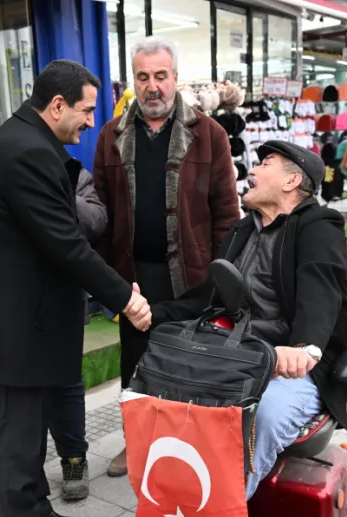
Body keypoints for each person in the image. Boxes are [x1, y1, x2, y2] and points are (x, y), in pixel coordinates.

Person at [0, 60, 152, 517]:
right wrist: (125, 297)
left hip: (22, 320)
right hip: (7, 327)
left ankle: (37, 512)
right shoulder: (27, 153)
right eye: (84, 111)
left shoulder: (28, 142)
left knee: (31, 428)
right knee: (17, 435)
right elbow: (65, 243)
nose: (88, 122)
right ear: (56, 105)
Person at [153, 140, 347, 499]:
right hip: (237, 353)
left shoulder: (318, 226)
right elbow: (208, 295)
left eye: (266, 164)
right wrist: (151, 312)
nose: (253, 170)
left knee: (261, 417)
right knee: (171, 394)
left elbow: (320, 288)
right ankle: (180, 497)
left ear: (292, 182)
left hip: (291, 365)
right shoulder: (243, 229)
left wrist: (304, 347)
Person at [93, 36, 240, 478]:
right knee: (135, 361)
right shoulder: (112, 135)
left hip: (191, 276)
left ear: (175, 78)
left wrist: (219, 277)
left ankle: (186, 446)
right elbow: (100, 209)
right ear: (133, 82)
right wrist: (105, 277)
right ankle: (135, 444)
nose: (152, 86)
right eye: (143, 77)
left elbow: (226, 214)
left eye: (161, 76)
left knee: (189, 359)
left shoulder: (209, 135)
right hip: (133, 275)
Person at [0, 168, 105, 501]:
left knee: (66, 385)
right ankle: (28, 477)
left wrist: (45, 188)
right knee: (16, 394)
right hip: (5, 307)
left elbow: (95, 222)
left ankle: (73, 460)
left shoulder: (68, 171)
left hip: (58, 303)